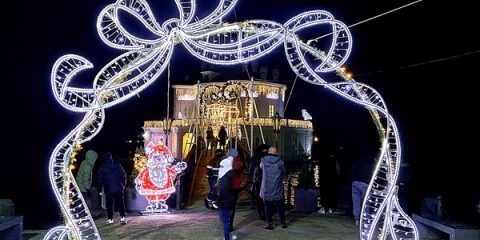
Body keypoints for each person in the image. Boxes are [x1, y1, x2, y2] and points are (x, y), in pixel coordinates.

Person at [260, 146, 287, 229]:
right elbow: (284, 171)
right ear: (276, 153)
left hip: (266, 187)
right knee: (280, 206)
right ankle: (283, 223)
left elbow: (261, 167)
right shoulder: (280, 162)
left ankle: (270, 223)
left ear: (268, 151)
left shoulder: (263, 161)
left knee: (267, 206)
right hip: (277, 187)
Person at [97, 152, 127, 225]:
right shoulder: (117, 165)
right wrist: (123, 185)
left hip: (108, 188)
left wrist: (99, 190)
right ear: (111, 157)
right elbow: (123, 175)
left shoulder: (102, 167)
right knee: (120, 203)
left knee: (109, 204)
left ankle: (110, 219)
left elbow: (99, 180)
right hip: (118, 187)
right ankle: (122, 217)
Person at [215, 153, 237, 240]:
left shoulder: (224, 177)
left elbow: (222, 190)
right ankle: (227, 237)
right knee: (225, 220)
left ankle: (227, 237)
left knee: (225, 220)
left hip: (224, 200)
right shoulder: (229, 175)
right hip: (228, 199)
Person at [350, 155, 375, 225]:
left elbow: (352, 173)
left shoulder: (357, 163)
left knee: (356, 201)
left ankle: (356, 219)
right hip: (365, 184)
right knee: (366, 203)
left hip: (355, 182)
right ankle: (365, 219)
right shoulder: (371, 165)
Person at [249, 144, 270, 220]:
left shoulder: (254, 159)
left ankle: (261, 212)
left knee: (259, 197)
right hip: (268, 181)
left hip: (258, 181)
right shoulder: (270, 159)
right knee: (267, 197)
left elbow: (251, 170)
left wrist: (252, 179)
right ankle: (266, 212)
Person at [229, 148, 245, 231]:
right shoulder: (240, 163)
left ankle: (225, 223)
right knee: (232, 206)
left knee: (225, 206)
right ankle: (230, 225)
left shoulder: (226, 162)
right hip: (235, 187)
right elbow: (242, 176)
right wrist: (238, 182)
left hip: (226, 186)